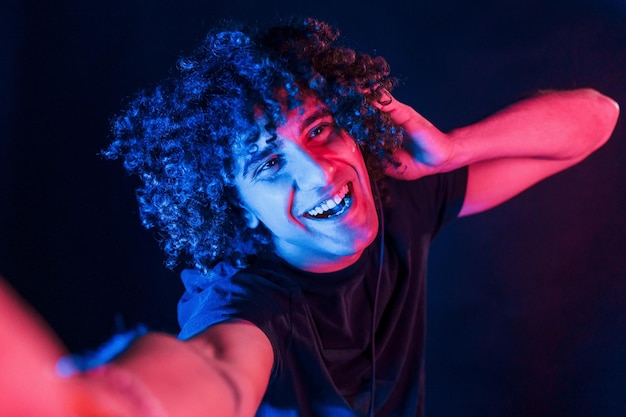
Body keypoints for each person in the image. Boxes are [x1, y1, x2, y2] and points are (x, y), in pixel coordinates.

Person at [0, 17, 619, 417]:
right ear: (233, 206)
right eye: (270, 165)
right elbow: (219, 368)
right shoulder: (246, 303)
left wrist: (454, 149)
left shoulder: (399, 197)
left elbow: (595, 118)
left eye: (321, 129)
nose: (320, 172)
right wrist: (100, 403)